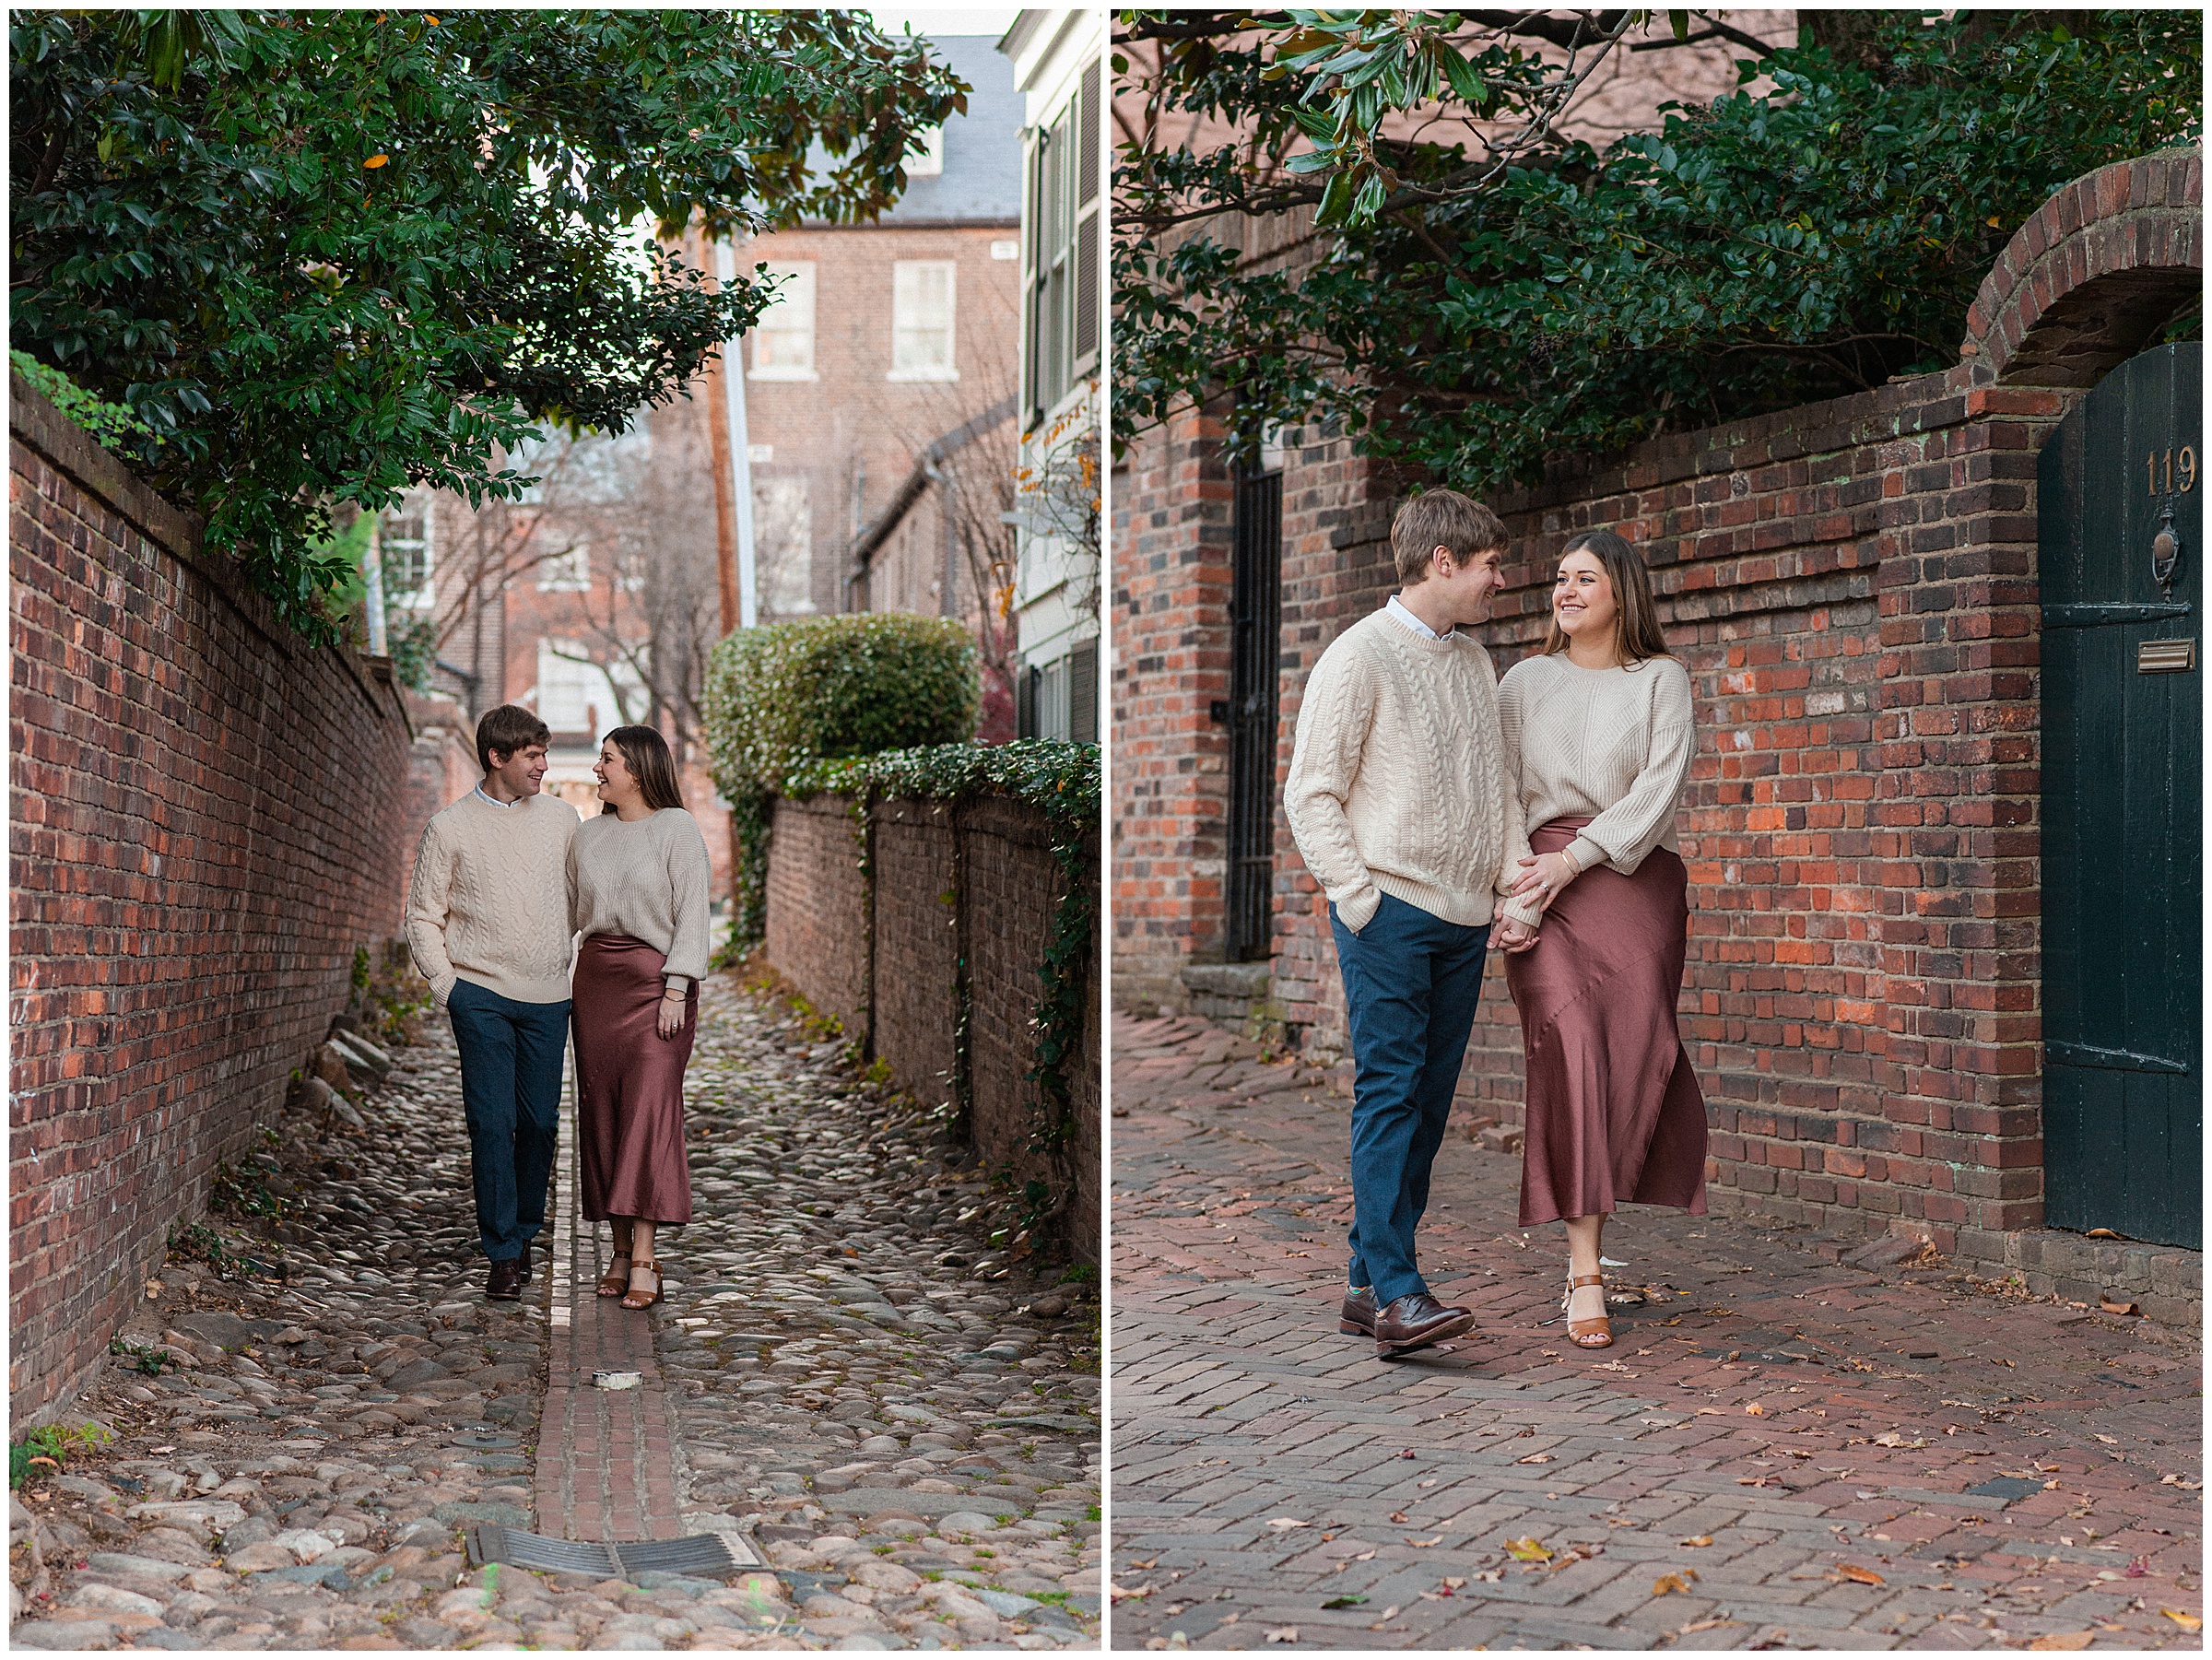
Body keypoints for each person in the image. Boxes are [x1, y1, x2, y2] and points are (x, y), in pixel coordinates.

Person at [1284, 489, 1547, 1358]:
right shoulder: (1358, 657)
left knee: (1427, 1107)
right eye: (1489, 566)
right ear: (1444, 561)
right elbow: (1312, 792)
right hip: (1388, 914)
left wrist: (1514, 890)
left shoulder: (1475, 665)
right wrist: (1360, 899)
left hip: (1464, 921)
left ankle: (1366, 1281)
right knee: (1389, 1092)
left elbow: (1498, 792)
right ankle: (1398, 1291)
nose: (1499, 582)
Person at [1498, 527, 1707, 1350]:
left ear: (1623, 590)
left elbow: (1659, 791)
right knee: (1571, 1046)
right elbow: (1499, 790)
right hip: (1539, 890)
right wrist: (1521, 883)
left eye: (1585, 578)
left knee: (1631, 1048)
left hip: (1629, 881)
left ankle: (1607, 1212)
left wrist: (1577, 859)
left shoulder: (1660, 681)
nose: (1566, 591)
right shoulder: (1521, 682)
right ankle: (1584, 1269)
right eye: (1559, 579)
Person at [406, 705, 580, 1301]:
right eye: (532, 754)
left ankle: (526, 1227)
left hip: (549, 996)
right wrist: (447, 984)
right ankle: (503, 1251)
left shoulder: (563, 819)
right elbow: (423, 915)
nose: (544, 764)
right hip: (478, 995)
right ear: (496, 757)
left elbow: (586, 896)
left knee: (537, 1123)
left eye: (544, 752)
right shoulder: (449, 828)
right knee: (491, 1122)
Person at [569, 724, 713, 1311]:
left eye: (607, 760)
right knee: (603, 1114)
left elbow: (693, 914)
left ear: (638, 768)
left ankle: (647, 1257)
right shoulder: (586, 837)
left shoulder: (677, 828)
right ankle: (619, 1249)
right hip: (597, 985)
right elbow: (570, 914)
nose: (597, 770)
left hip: (658, 989)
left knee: (650, 1112)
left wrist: (676, 988)